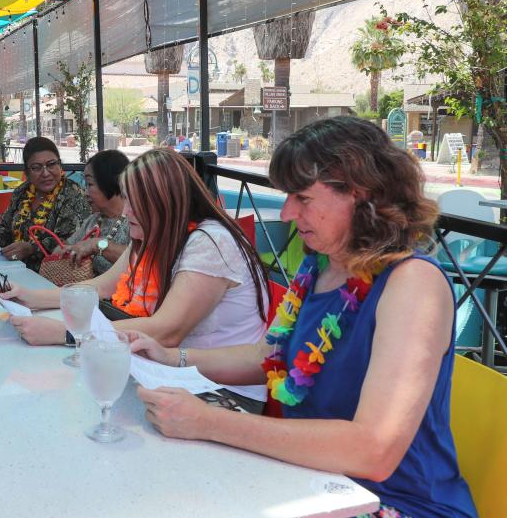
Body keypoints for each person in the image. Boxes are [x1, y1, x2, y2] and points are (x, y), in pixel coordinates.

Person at [131, 117, 477, 518]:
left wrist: (208, 422)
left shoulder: (412, 282)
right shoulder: (320, 267)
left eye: (303, 198)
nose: (286, 214)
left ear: (361, 193)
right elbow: (269, 356)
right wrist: (169, 356)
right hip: (313, 484)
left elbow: (374, 450)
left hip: (396, 505)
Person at [0, 148, 268, 408]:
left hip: (220, 390)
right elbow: (101, 286)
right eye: (126, 199)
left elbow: (167, 330)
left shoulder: (210, 244)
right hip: (166, 373)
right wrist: (28, 297)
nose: (126, 212)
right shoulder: (155, 232)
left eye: (135, 202)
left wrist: (67, 334)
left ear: (165, 202)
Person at [0, 136, 91, 272]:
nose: (45, 173)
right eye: (36, 167)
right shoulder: (22, 191)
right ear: (27, 173)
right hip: (15, 269)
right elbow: (5, 227)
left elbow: (69, 241)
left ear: (60, 165)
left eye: (51, 164)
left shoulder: (73, 194)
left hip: (55, 275)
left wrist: (32, 248)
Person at [56, 149, 130, 275]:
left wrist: (97, 245)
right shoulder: (93, 221)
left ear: (109, 181)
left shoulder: (134, 220)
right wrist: (65, 252)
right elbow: (63, 248)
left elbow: (141, 260)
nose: (85, 192)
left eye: (89, 184)